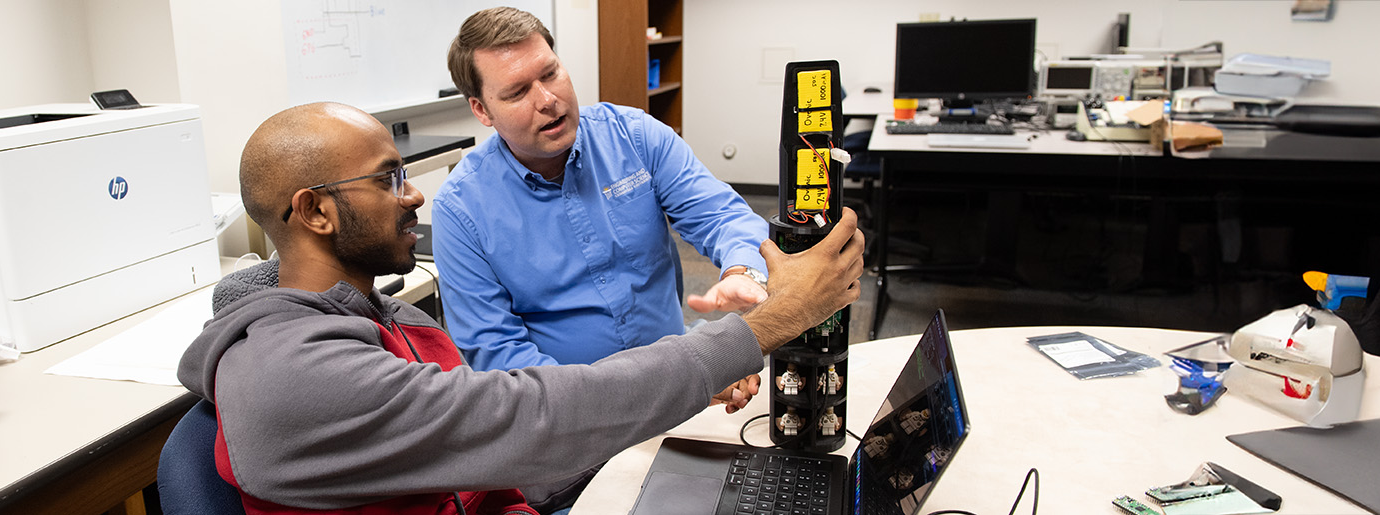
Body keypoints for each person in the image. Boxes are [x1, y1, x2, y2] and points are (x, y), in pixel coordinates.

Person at [176, 102, 866, 515]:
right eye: (389, 178)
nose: (413, 194)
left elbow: (504, 450)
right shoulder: (290, 373)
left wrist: (673, 401)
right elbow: (526, 414)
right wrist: (770, 323)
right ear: (315, 211)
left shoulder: (400, 320)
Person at [433, 7, 773, 377]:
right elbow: (497, 351)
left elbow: (721, 216)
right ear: (482, 110)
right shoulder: (460, 209)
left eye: (551, 73)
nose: (547, 99)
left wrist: (743, 270)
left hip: (678, 375)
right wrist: (646, 393)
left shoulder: (635, 137)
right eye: (517, 92)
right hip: (571, 415)